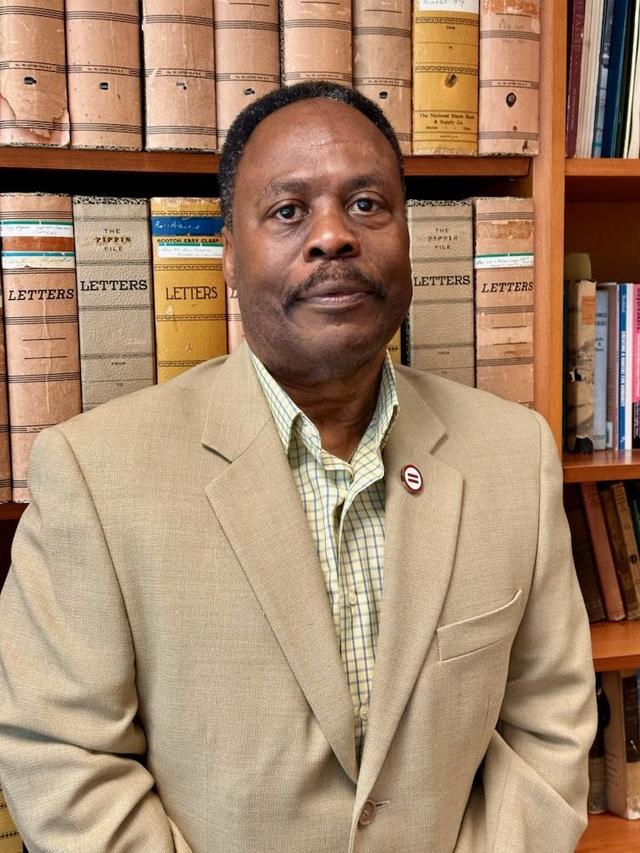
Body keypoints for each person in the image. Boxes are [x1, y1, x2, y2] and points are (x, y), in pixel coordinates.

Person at [0, 82, 596, 852]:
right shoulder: (94, 471)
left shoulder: (513, 453)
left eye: (367, 205)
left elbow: (549, 721)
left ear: (407, 237)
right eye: (288, 211)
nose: (333, 237)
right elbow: (62, 757)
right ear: (227, 257)